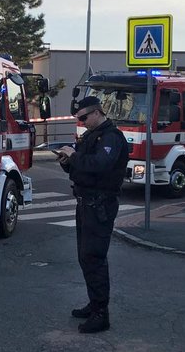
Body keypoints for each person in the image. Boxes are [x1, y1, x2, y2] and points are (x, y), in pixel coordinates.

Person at [54, 96, 129, 334]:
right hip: (86, 203)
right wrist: (67, 161)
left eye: (84, 117)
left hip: (100, 204)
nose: (81, 121)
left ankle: (101, 314)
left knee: (94, 257)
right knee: (85, 257)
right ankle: (94, 303)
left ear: (97, 112)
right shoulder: (90, 136)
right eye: (79, 118)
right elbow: (83, 165)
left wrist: (75, 156)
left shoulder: (111, 137)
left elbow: (100, 165)